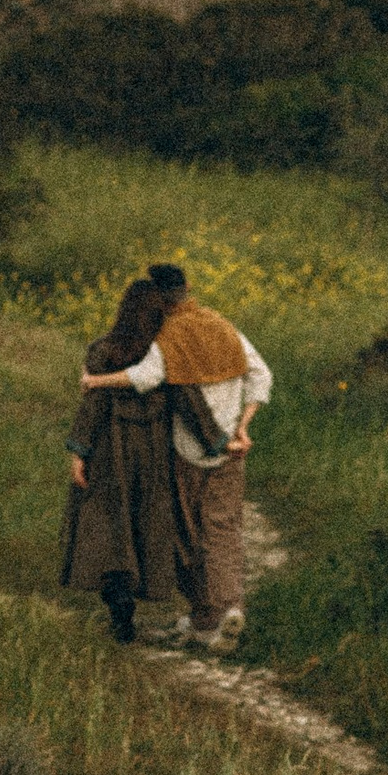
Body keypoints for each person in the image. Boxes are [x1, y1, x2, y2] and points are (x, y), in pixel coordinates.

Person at [80, 261, 270, 650]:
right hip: (232, 447)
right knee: (224, 529)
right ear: (188, 289)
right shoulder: (223, 325)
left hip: (186, 451)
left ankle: (205, 615)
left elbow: (146, 378)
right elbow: (261, 375)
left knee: (187, 533)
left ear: (161, 301)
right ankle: (229, 606)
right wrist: (243, 425)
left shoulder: (168, 334)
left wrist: (95, 380)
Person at [58, 277, 192, 642]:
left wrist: (79, 452)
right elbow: (186, 399)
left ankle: (119, 609)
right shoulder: (166, 351)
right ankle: (139, 593)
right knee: (144, 521)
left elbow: (94, 404)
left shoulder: (103, 350)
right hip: (154, 451)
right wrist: (213, 439)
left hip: (110, 449)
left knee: (109, 526)